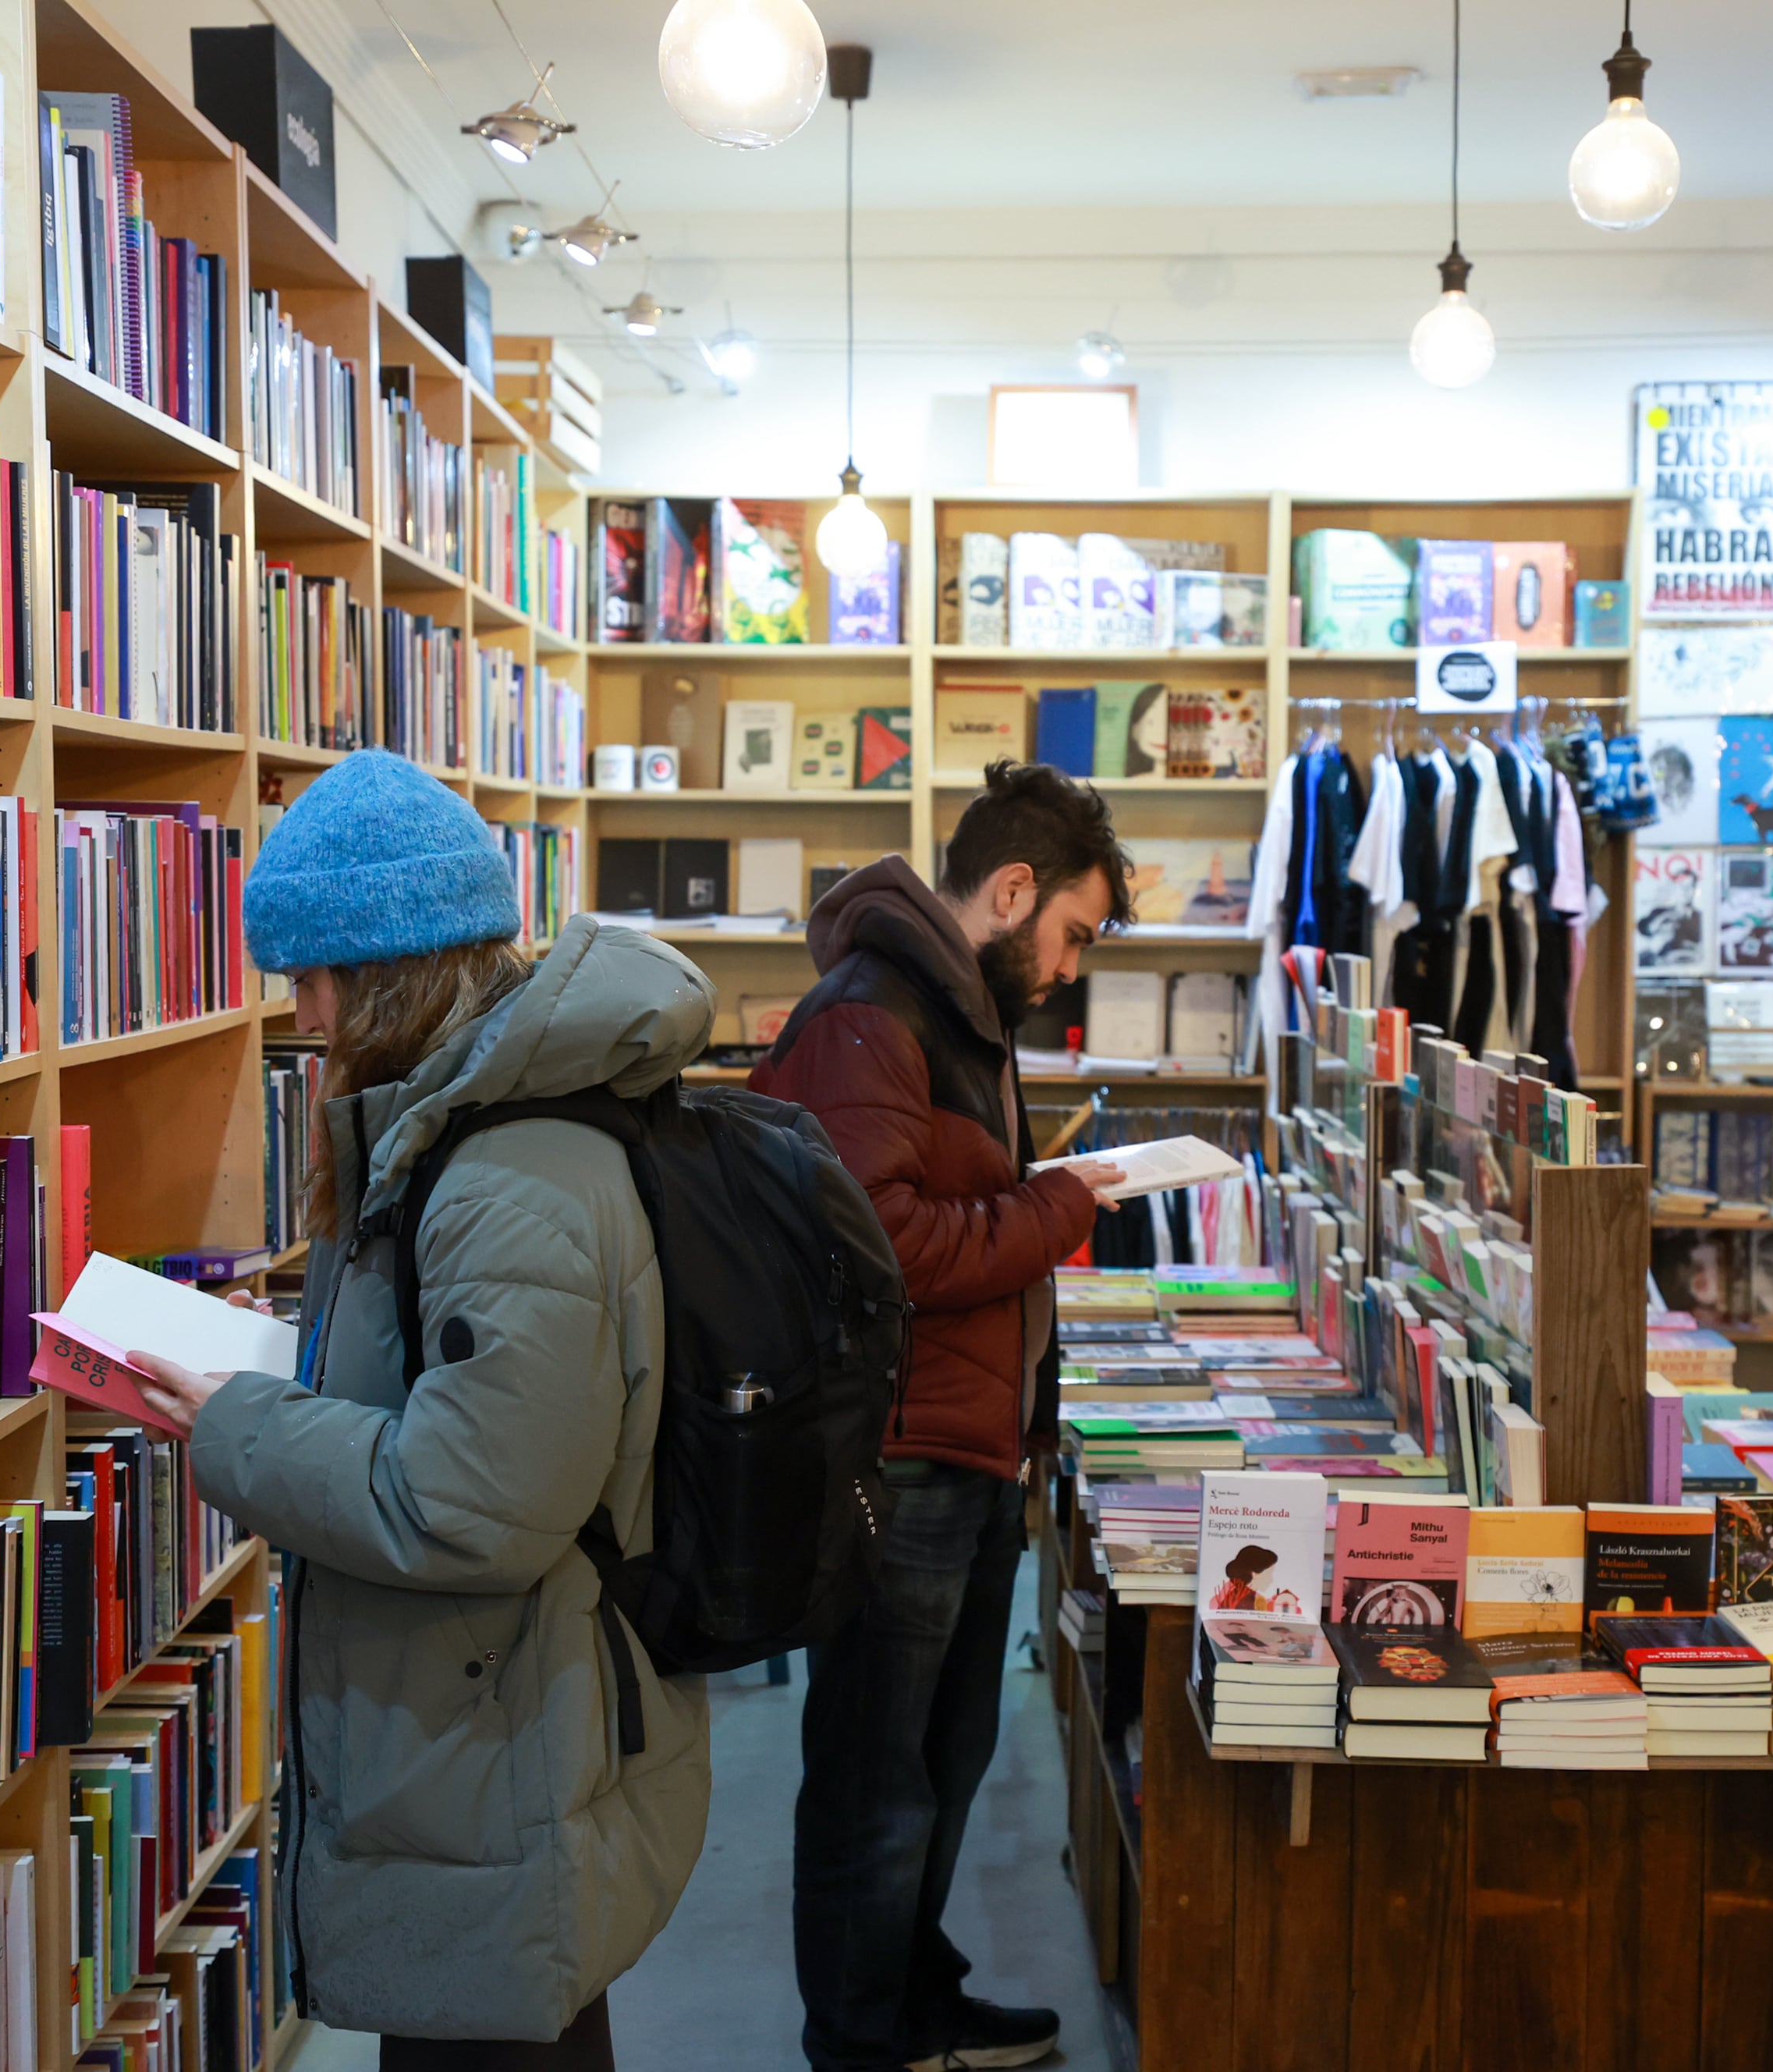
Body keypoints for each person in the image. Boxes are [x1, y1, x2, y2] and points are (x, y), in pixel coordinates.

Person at [129, 748, 713, 2072]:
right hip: (475, 1730)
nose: (299, 1018)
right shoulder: (457, 1134)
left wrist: (234, 1422)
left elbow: (466, 1505)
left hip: (499, 1735)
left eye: (313, 981)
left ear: (387, 979)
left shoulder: (512, 1175)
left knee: (502, 2037)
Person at [753, 760, 1133, 2072]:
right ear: (1012, 891)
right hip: (897, 1460)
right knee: (875, 1778)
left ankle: (915, 2002)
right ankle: (860, 2041)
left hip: (964, 1453)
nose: (1072, 966)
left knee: (941, 1761)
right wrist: (1064, 1207)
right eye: (1072, 933)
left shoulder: (958, 1013)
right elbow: (888, 1249)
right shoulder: (873, 1015)